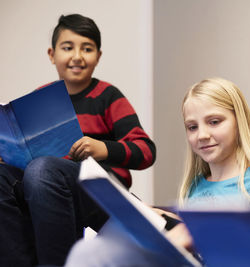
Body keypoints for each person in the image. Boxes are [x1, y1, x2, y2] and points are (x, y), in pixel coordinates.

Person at [0, 14, 156, 267]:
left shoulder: (107, 96)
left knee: (43, 170)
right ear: (52, 54)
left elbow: (146, 151)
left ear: (98, 56)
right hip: (46, 186)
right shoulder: (41, 97)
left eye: (87, 48)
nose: (77, 56)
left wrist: (102, 148)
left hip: (96, 188)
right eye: (67, 47)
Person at [64, 77, 250, 266]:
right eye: (192, 127)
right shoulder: (195, 187)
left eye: (214, 122)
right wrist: (158, 215)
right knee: (91, 249)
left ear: (239, 122)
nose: (202, 135)